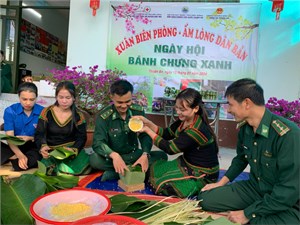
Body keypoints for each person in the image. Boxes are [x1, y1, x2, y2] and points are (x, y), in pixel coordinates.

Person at [198, 78, 300, 225]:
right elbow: (241, 159)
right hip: (255, 189)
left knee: (255, 221)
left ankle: (259, 213)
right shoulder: (245, 129)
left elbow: (288, 191)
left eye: (231, 104)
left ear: (246, 103)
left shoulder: (288, 135)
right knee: (205, 199)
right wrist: (221, 183)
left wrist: (248, 213)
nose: (229, 110)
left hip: (283, 199)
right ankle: (259, 211)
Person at [134, 88, 219, 198]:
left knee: (166, 188)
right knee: (152, 170)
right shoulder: (185, 120)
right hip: (186, 163)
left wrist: (146, 130)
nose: (178, 112)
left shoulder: (196, 130)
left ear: (196, 109)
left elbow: (170, 149)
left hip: (202, 173)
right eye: (177, 108)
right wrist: (148, 122)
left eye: (182, 109)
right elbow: (166, 133)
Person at [90, 79, 167, 181]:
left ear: (132, 97)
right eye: (119, 102)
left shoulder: (137, 111)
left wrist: (145, 154)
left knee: (162, 156)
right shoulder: (104, 116)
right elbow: (98, 142)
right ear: (112, 97)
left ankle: (118, 172)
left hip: (133, 155)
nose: (124, 106)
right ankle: (132, 169)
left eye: (128, 101)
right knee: (94, 160)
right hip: (112, 157)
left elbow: (145, 136)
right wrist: (114, 156)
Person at [34, 81, 90, 175]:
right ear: (56, 97)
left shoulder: (78, 116)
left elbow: (81, 137)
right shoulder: (46, 112)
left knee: (87, 162)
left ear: (73, 98)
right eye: (61, 97)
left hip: (70, 152)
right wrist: (43, 147)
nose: (64, 101)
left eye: (68, 97)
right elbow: (39, 133)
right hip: (52, 152)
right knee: (48, 169)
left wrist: (74, 149)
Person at [1, 82, 43, 170]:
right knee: (23, 161)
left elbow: (44, 136)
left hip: (33, 146)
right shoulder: (10, 111)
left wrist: (30, 138)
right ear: (19, 97)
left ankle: (8, 161)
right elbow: (10, 138)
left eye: (32, 99)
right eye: (24, 99)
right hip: (13, 146)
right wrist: (20, 155)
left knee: (36, 158)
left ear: (36, 97)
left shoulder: (43, 112)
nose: (28, 103)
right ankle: (14, 159)